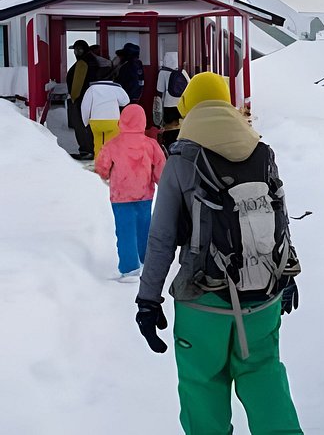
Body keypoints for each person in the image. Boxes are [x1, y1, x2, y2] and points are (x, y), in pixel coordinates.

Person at [136, 72, 303, 434]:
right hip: (262, 296)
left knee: (203, 386)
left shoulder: (181, 159)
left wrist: (148, 300)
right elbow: (279, 215)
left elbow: (162, 238)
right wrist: (286, 274)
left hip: (203, 301)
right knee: (264, 375)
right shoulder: (262, 151)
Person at [95, 104, 166, 281]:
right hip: (145, 195)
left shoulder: (113, 145)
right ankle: (145, 260)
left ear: (122, 122)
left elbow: (102, 166)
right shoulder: (151, 145)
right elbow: (160, 168)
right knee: (144, 228)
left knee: (125, 230)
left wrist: (105, 175)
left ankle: (129, 268)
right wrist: (160, 183)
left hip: (120, 196)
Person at [66, 39, 100, 160]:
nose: (76, 52)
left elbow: (77, 84)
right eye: (75, 49)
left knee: (80, 124)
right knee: (88, 125)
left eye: (78, 49)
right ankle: (91, 149)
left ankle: (86, 150)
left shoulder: (82, 63)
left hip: (81, 99)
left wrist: (74, 98)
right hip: (92, 98)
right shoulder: (93, 61)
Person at [80, 80, 130, 158]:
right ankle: (111, 163)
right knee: (112, 143)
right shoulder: (116, 88)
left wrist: (86, 122)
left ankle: (99, 163)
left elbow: (85, 107)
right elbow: (126, 101)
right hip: (113, 121)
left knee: (98, 143)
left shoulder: (92, 89)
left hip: (96, 121)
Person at [154, 51, 190, 151]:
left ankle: (169, 147)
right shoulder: (182, 72)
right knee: (179, 126)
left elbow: (159, 90)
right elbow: (190, 85)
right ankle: (180, 146)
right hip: (181, 105)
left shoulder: (163, 73)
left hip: (168, 105)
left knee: (169, 128)